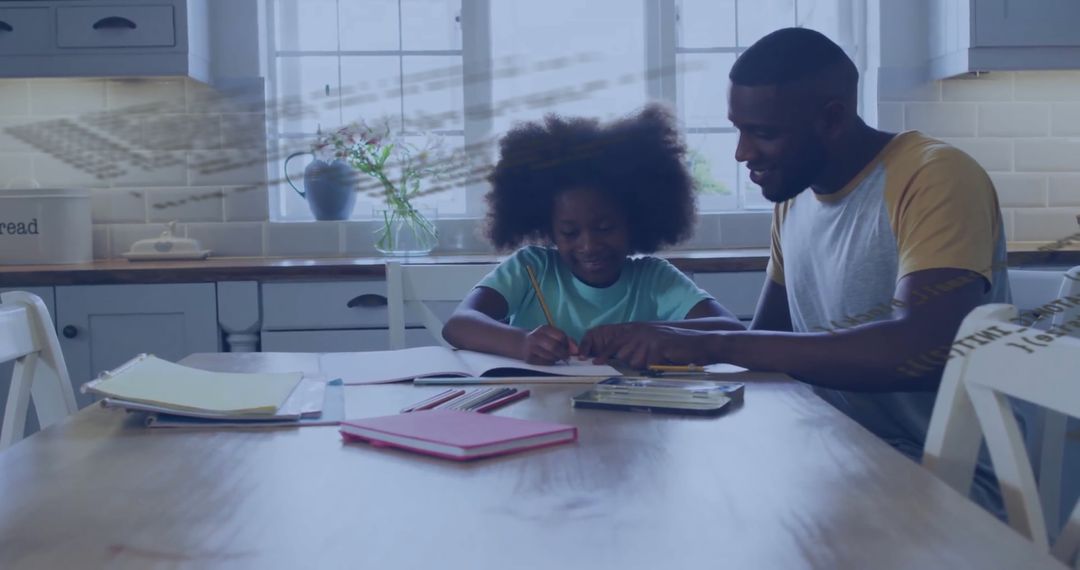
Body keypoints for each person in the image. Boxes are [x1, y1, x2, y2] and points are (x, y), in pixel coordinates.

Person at [591, 28, 1011, 511]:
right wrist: (656, 337)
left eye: (765, 133)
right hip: (836, 456)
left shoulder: (934, 176)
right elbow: (769, 338)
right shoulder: (794, 203)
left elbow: (923, 351)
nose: (742, 152)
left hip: (943, 480)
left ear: (832, 118)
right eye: (739, 129)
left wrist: (708, 343)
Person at [442, 104, 744, 365]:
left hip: (632, 416)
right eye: (570, 232)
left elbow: (733, 331)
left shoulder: (654, 279)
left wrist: (646, 332)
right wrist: (522, 343)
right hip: (538, 413)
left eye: (605, 228)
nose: (589, 245)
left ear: (635, 220)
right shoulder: (531, 268)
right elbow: (459, 325)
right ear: (548, 229)